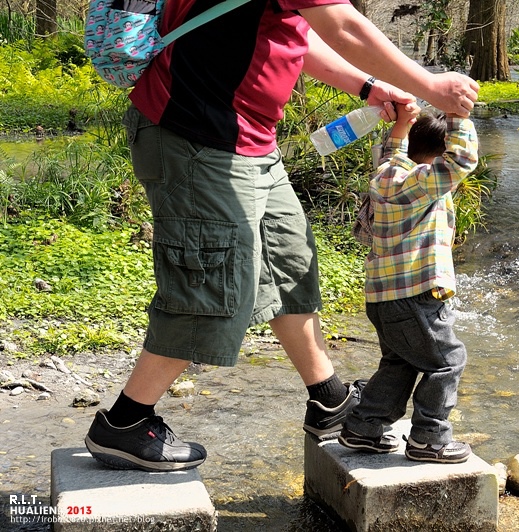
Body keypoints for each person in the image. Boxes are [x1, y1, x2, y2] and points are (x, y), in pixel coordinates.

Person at [83, 0, 479, 472]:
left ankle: (329, 399)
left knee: (288, 262)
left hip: (250, 140)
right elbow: (343, 26)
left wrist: (366, 84)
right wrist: (430, 84)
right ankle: (126, 423)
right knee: (210, 285)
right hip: (199, 137)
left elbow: (295, 32)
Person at [338, 103, 479, 464]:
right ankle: (429, 439)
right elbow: (461, 159)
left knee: (400, 362)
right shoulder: (422, 183)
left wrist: (401, 125)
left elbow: (392, 149)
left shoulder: (388, 173)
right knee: (448, 361)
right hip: (416, 296)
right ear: (437, 156)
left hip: (384, 297)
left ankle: (364, 428)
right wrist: (459, 113)